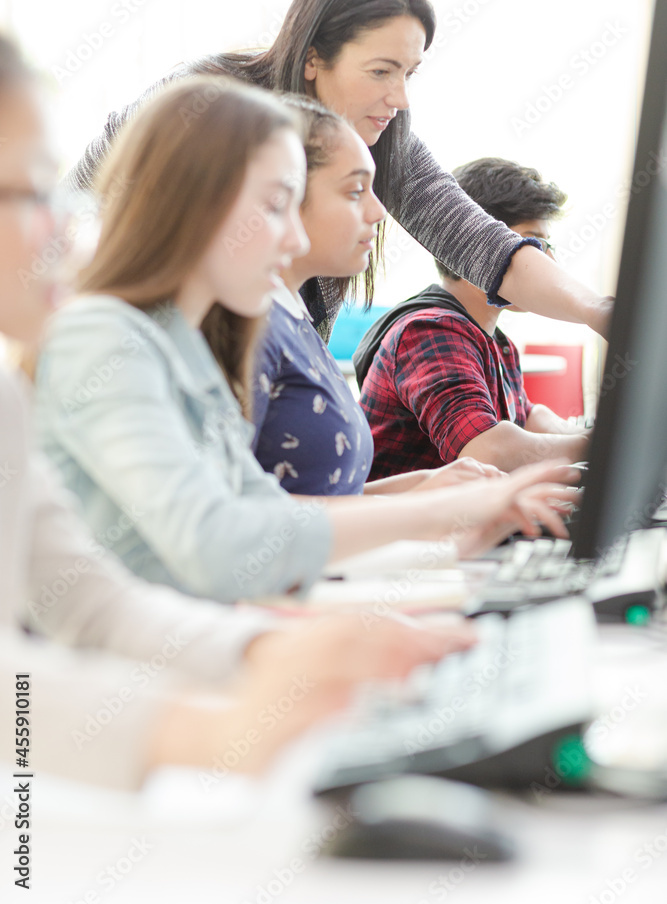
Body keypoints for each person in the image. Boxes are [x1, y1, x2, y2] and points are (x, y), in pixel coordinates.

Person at [0, 33, 478, 790]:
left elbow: (93, 603)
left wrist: (275, 651)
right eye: (32, 192)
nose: (63, 225)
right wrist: (214, 731)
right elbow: (214, 544)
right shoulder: (102, 339)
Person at [35, 76, 578, 604]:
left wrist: (453, 542)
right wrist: (438, 515)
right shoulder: (104, 339)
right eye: (276, 206)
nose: (294, 238)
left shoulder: (187, 348)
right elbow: (219, 546)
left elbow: (270, 522)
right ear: (199, 202)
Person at [64, 0, 612, 342]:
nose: (399, 98)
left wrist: (598, 311)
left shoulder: (381, 135)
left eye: (409, 73)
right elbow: (74, 214)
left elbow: (480, 241)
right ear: (313, 58)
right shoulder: (205, 103)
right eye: (381, 71)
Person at [252, 95, 498, 495]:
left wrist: (425, 487)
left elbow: (320, 495)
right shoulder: (250, 327)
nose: (379, 211)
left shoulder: (297, 318)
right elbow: (246, 515)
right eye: (355, 191)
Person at [355, 158, 591, 477]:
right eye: (534, 244)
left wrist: (593, 434)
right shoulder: (431, 331)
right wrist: (594, 446)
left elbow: (527, 416)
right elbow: (486, 450)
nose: (549, 262)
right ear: (481, 244)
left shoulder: (493, 339)